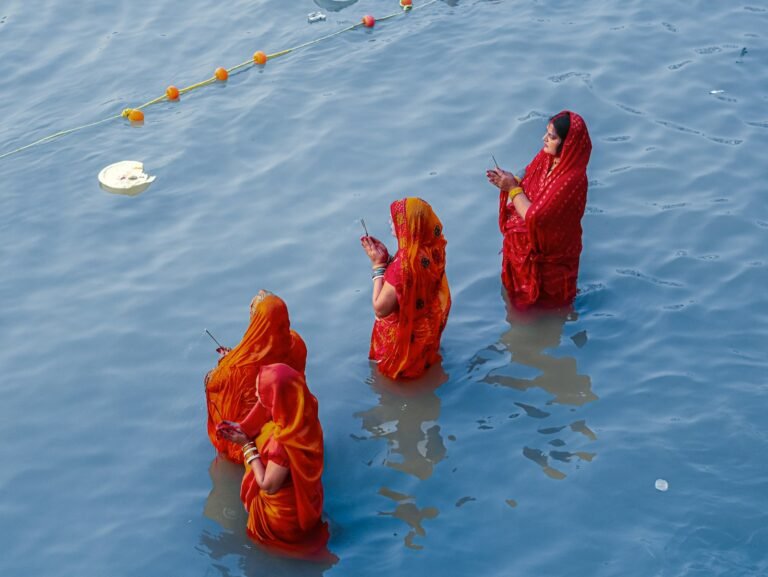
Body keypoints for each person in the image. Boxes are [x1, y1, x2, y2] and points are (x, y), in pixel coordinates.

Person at [216, 363, 335, 561]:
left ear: (276, 398)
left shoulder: (283, 444)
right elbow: (264, 410)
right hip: (306, 498)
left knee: (260, 549)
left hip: (280, 518)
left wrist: (246, 445)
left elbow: (268, 485)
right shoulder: (303, 415)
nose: (256, 394)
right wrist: (243, 428)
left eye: (261, 392)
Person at [487, 111, 592, 310]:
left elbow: (535, 216)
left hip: (550, 260)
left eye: (551, 137)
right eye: (546, 133)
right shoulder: (548, 157)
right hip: (525, 251)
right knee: (519, 307)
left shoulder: (570, 179)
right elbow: (529, 174)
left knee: (550, 307)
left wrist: (511, 188)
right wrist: (512, 179)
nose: (544, 139)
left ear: (567, 144)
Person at [204, 290, 307, 463]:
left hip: (258, 442)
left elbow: (212, 384)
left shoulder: (236, 369)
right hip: (295, 421)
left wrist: (224, 363)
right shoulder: (297, 343)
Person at [359, 197, 451, 379]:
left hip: (403, 338)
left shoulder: (402, 267)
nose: (390, 221)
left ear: (410, 226)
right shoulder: (431, 249)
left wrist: (378, 267)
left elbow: (380, 308)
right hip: (425, 331)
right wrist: (389, 260)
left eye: (396, 219)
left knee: (396, 378)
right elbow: (411, 281)